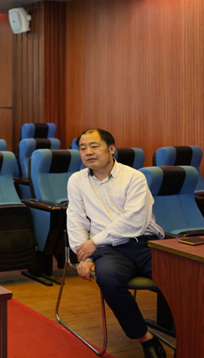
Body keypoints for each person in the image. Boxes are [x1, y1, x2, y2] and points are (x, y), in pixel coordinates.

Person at [67, 129, 167, 358]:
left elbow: (135, 222)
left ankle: (189, 331)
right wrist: (86, 256)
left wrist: (95, 242)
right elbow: (75, 220)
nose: (88, 152)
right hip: (109, 251)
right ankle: (145, 338)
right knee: (108, 279)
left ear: (111, 149)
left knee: (183, 276)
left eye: (94, 146)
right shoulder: (77, 180)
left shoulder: (134, 177)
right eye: (83, 148)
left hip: (144, 244)